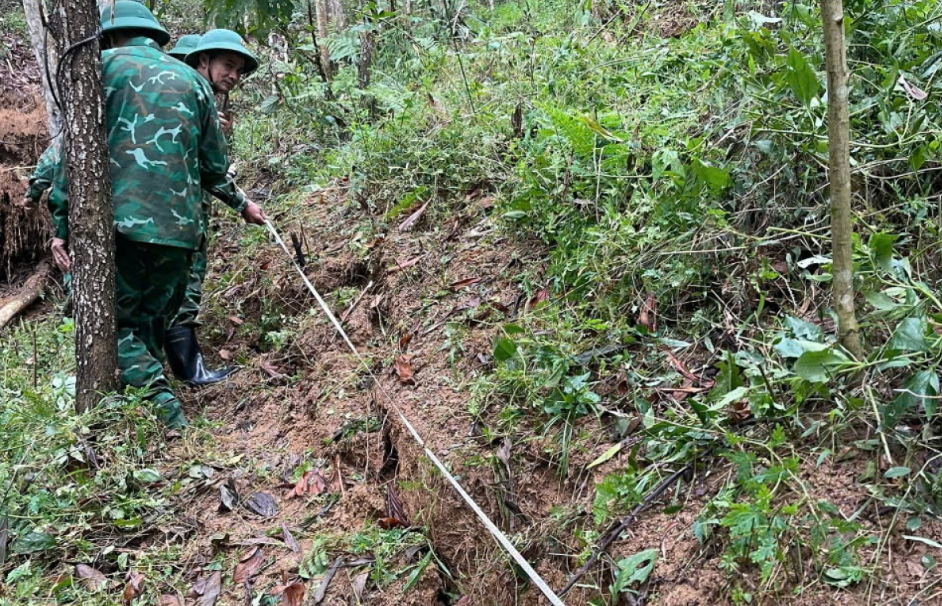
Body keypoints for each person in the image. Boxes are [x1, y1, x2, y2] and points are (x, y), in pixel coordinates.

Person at [48, 1, 266, 428]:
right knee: (147, 322)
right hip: (182, 232)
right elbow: (214, 168)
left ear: (107, 36)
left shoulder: (97, 67)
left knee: (110, 324)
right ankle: (140, 412)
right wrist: (238, 203)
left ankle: (169, 419)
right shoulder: (193, 82)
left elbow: (71, 155)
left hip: (120, 226)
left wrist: (61, 224)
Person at [161, 29, 261, 386]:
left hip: (168, 213)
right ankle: (190, 373)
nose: (233, 75)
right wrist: (243, 203)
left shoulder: (185, 97)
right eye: (228, 65)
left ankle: (168, 373)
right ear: (203, 61)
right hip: (176, 216)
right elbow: (211, 169)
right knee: (184, 288)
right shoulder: (192, 94)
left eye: (238, 69)